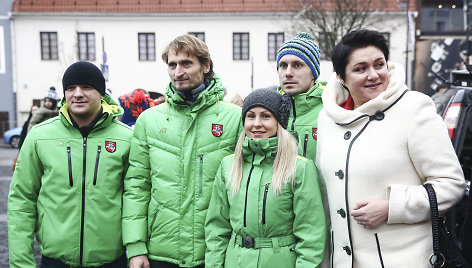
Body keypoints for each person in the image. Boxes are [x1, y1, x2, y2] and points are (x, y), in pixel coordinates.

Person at [315, 29, 466, 267]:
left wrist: (391, 207)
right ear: (341, 77)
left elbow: (451, 184)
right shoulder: (327, 119)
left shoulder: (414, 109)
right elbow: (325, 195)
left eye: (379, 64)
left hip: (406, 259)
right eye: (360, 68)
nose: (373, 75)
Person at [122, 34, 243, 268]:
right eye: (172, 65)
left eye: (187, 63)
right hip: (161, 252)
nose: (178, 72)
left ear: (206, 66)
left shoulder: (235, 119)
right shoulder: (149, 120)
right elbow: (137, 186)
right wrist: (135, 247)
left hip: (215, 252)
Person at [8, 61, 132, 268]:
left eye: (86, 87)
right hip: (56, 261)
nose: (77, 94)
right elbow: (22, 201)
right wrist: (21, 262)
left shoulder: (127, 138)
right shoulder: (39, 136)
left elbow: (137, 199)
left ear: (101, 93)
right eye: (70, 88)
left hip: (111, 261)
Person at [204, 88, 326, 267]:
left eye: (266, 116)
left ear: (279, 122)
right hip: (235, 261)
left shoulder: (299, 168)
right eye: (251, 116)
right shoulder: (228, 166)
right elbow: (217, 227)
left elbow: (311, 235)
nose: (257, 123)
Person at [277, 32, 325, 162]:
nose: (288, 73)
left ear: (313, 73)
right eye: (283, 65)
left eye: (297, 65)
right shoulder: (269, 111)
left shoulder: (331, 109)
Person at [11, 105, 39, 171]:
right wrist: (21, 148)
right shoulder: (27, 123)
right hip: (27, 145)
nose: (34, 112)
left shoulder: (42, 121)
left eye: (36, 110)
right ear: (31, 112)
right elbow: (22, 136)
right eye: (33, 110)